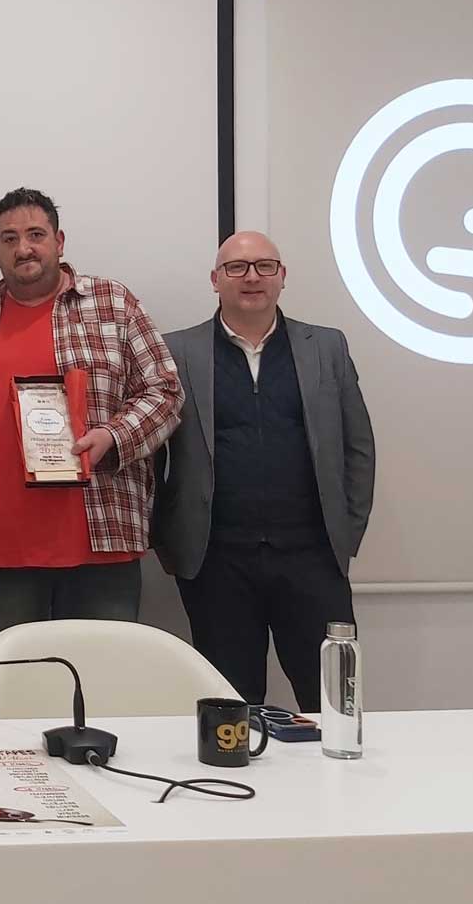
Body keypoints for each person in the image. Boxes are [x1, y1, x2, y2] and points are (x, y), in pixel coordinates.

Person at [0, 188, 183, 674]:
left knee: (103, 683)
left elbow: (166, 391)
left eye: (35, 235)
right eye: (9, 239)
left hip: (99, 538)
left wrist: (113, 437)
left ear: (59, 242)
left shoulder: (113, 304)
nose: (23, 248)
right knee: (3, 687)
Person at [153, 232, 375, 710]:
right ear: (216, 280)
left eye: (264, 266)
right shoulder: (177, 352)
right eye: (236, 267)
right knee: (231, 709)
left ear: (282, 276)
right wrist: (168, 540)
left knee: (334, 701)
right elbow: (153, 456)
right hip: (216, 562)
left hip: (313, 558)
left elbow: (358, 446)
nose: (251, 277)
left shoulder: (327, 347)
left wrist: (346, 533)